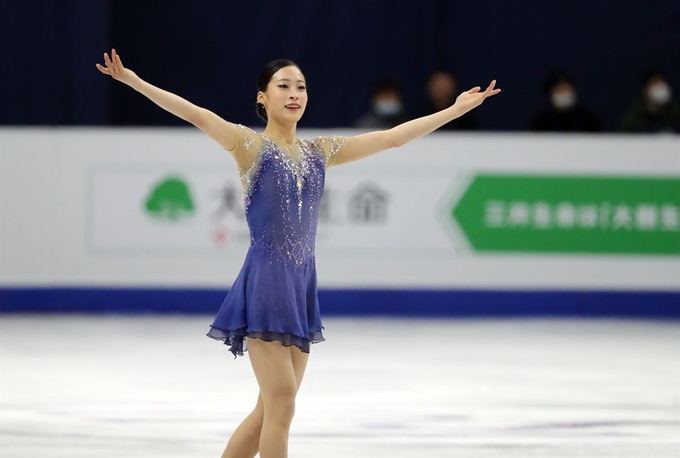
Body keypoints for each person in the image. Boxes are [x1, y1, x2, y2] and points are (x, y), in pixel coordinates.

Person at [96, 49, 500, 458]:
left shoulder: (318, 151)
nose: (294, 94)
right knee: (283, 404)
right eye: (283, 86)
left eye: (301, 87)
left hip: (301, 286)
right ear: (262, 98)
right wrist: (135, 82)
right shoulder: (249, 145)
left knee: (270, 409)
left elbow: (391, 138)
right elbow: (198, 115)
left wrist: (454, 110)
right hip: (267, 283)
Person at [531, 71, 601, 132]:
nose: (564, 93)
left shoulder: (587, 119)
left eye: (567, 89)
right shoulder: (542, 122)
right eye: (559, 90)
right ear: (550, 94)